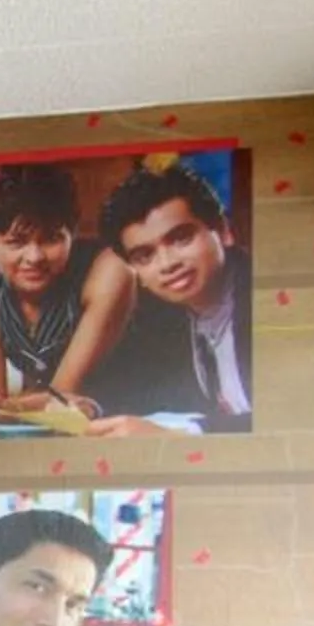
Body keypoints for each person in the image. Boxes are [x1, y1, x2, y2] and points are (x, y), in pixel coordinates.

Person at [0, 161, 134, 426]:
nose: (34, 257)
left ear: (73, 233)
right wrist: (6, 405)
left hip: (135, 421)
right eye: (16, 242)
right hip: (57, 430)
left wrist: (7, 405)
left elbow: (61, 397)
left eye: (51, 239)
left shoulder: (109, 271)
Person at [81, 159, 255, 436]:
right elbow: (146, 393)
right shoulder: (163, 315)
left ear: (223, 231)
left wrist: (185, 434)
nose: (167, 264)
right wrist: (89, 408)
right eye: (145, 255)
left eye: (181, 238)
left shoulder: (265, 299)